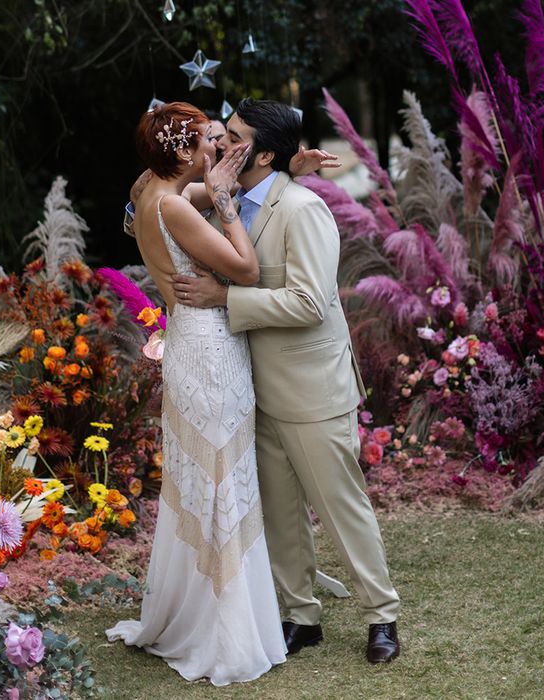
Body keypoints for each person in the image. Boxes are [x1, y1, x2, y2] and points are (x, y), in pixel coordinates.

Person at [172, 98, 402, 664]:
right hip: (252, 388)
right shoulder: (226, 203)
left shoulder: (301, 209)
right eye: (222, 135)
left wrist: (226, 297)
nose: (219, 144)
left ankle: (382, 616)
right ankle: (302, 616)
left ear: (264, 152)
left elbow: (309, 301)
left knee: (341, 504)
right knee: (278, 512)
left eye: (232, 137)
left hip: (311, 389)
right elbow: (152, 202)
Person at [105, 102, 287, 686]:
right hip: (211, 350)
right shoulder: (176, 209)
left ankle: (198, 608)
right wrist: (230, 203)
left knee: (203, 473)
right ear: (182, 152)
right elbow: (247, 268)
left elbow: (201, 192)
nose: (216, 148)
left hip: (189, 343)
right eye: (208, 141)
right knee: (220, 475)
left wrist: (281, 170)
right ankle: (223, 632)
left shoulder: (149, 190)